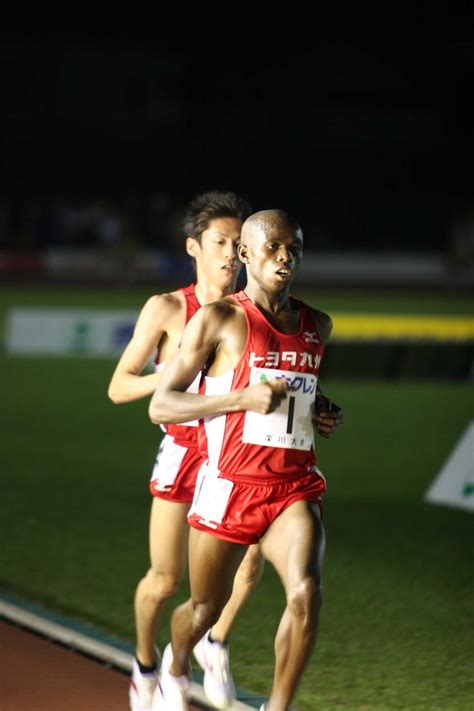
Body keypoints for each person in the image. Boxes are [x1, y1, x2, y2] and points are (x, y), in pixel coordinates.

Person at [149, 209, 344, 711]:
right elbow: (162, 404)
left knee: (306, 593)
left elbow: (299, 387)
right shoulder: (219, 319)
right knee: (202, 610)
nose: (285, 257)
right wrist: (238, 401)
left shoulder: (317, 324)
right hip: (230, 485)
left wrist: (318, 408)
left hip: (293, 486)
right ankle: (176, 667)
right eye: (274, 247)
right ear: (244, 254)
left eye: (295, 248)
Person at [108, 190, 266, 711]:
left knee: (249, 568)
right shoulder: (168, 308)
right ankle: (144, 663)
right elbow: (118, 385)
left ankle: (216, 644)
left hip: (237, 458)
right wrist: (170, 383)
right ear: (193, 247)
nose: (229, 254)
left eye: (237, 244)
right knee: (163, 581)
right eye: (219, 242)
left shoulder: (255, 313)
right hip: (183, 453)